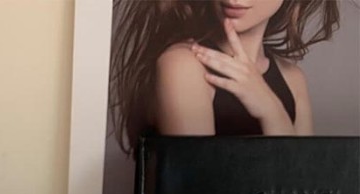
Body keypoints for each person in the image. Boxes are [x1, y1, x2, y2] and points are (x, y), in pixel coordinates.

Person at [110, 0, 340, 152]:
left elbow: (303, 191)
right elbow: (196, 191)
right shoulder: (183, 66)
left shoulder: (293, 79)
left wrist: (271, 110)